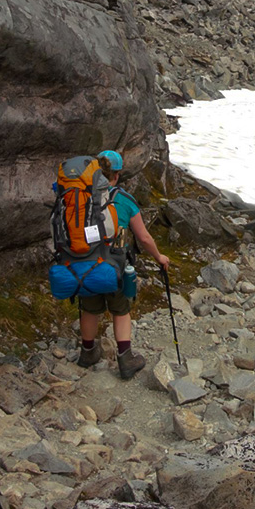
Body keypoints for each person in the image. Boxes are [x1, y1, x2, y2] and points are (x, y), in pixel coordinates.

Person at [76, 149, 170, 380]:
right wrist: (160, 257)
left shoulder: (80, 198)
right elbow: (144, 238)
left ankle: (88, 352)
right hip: (114, 264)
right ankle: (125, 359)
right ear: (116, 175)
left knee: (89, 308)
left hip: (86, 263)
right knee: (120, 311)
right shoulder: (124, 200)